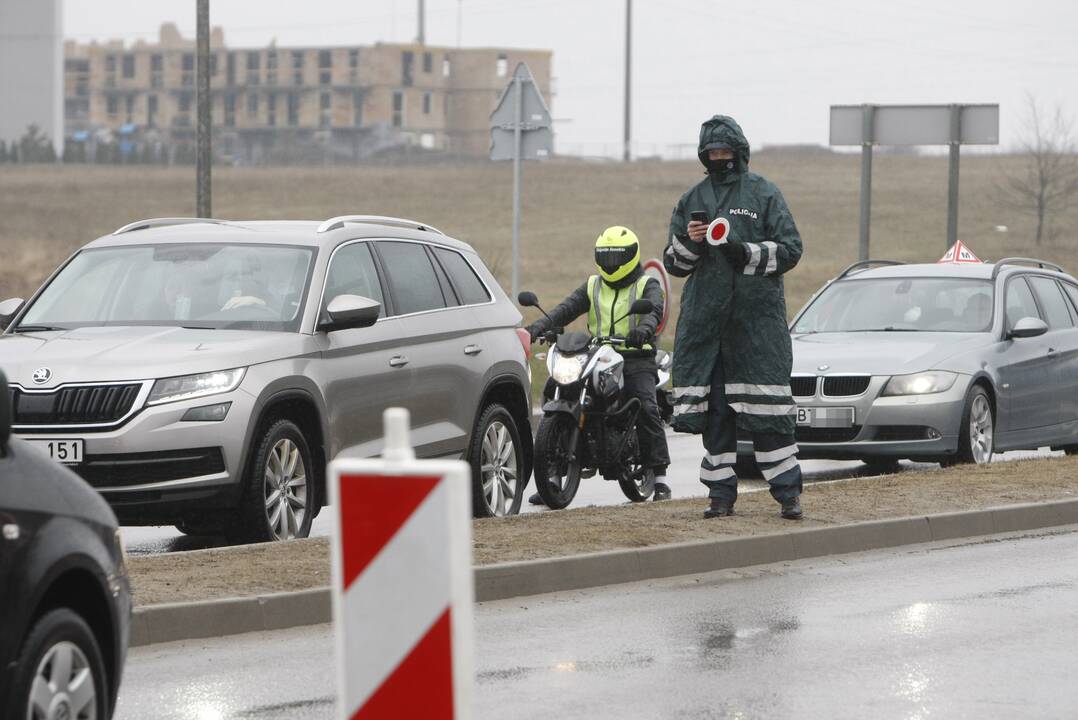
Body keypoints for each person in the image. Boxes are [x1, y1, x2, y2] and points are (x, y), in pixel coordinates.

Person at [663, 115, 804, 520]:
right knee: (717, 416)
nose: (719, 158)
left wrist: (745, 252)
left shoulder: (764, 193)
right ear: (704, 155)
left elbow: (791, 249)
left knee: (770, 415)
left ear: (739, 152)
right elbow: (675, 265)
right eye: (713, 153)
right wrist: (689, 242)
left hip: (757, 328)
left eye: (726, 152)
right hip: (708, 329)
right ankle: (720, 496)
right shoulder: (692, 198)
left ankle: (788, 494)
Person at [525, 226, 672, 503]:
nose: (610, 263)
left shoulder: (646, 284)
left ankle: (661, 478)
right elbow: (566, 309)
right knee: (557, 387)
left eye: (616, 257)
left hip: (635, 355)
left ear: (630, 256)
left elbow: (654, 308)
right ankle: (552, 478)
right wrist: (538, 327)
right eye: (605, 257)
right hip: (598, 354)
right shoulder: (593, 285)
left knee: (646, 405)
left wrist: (645, 329)